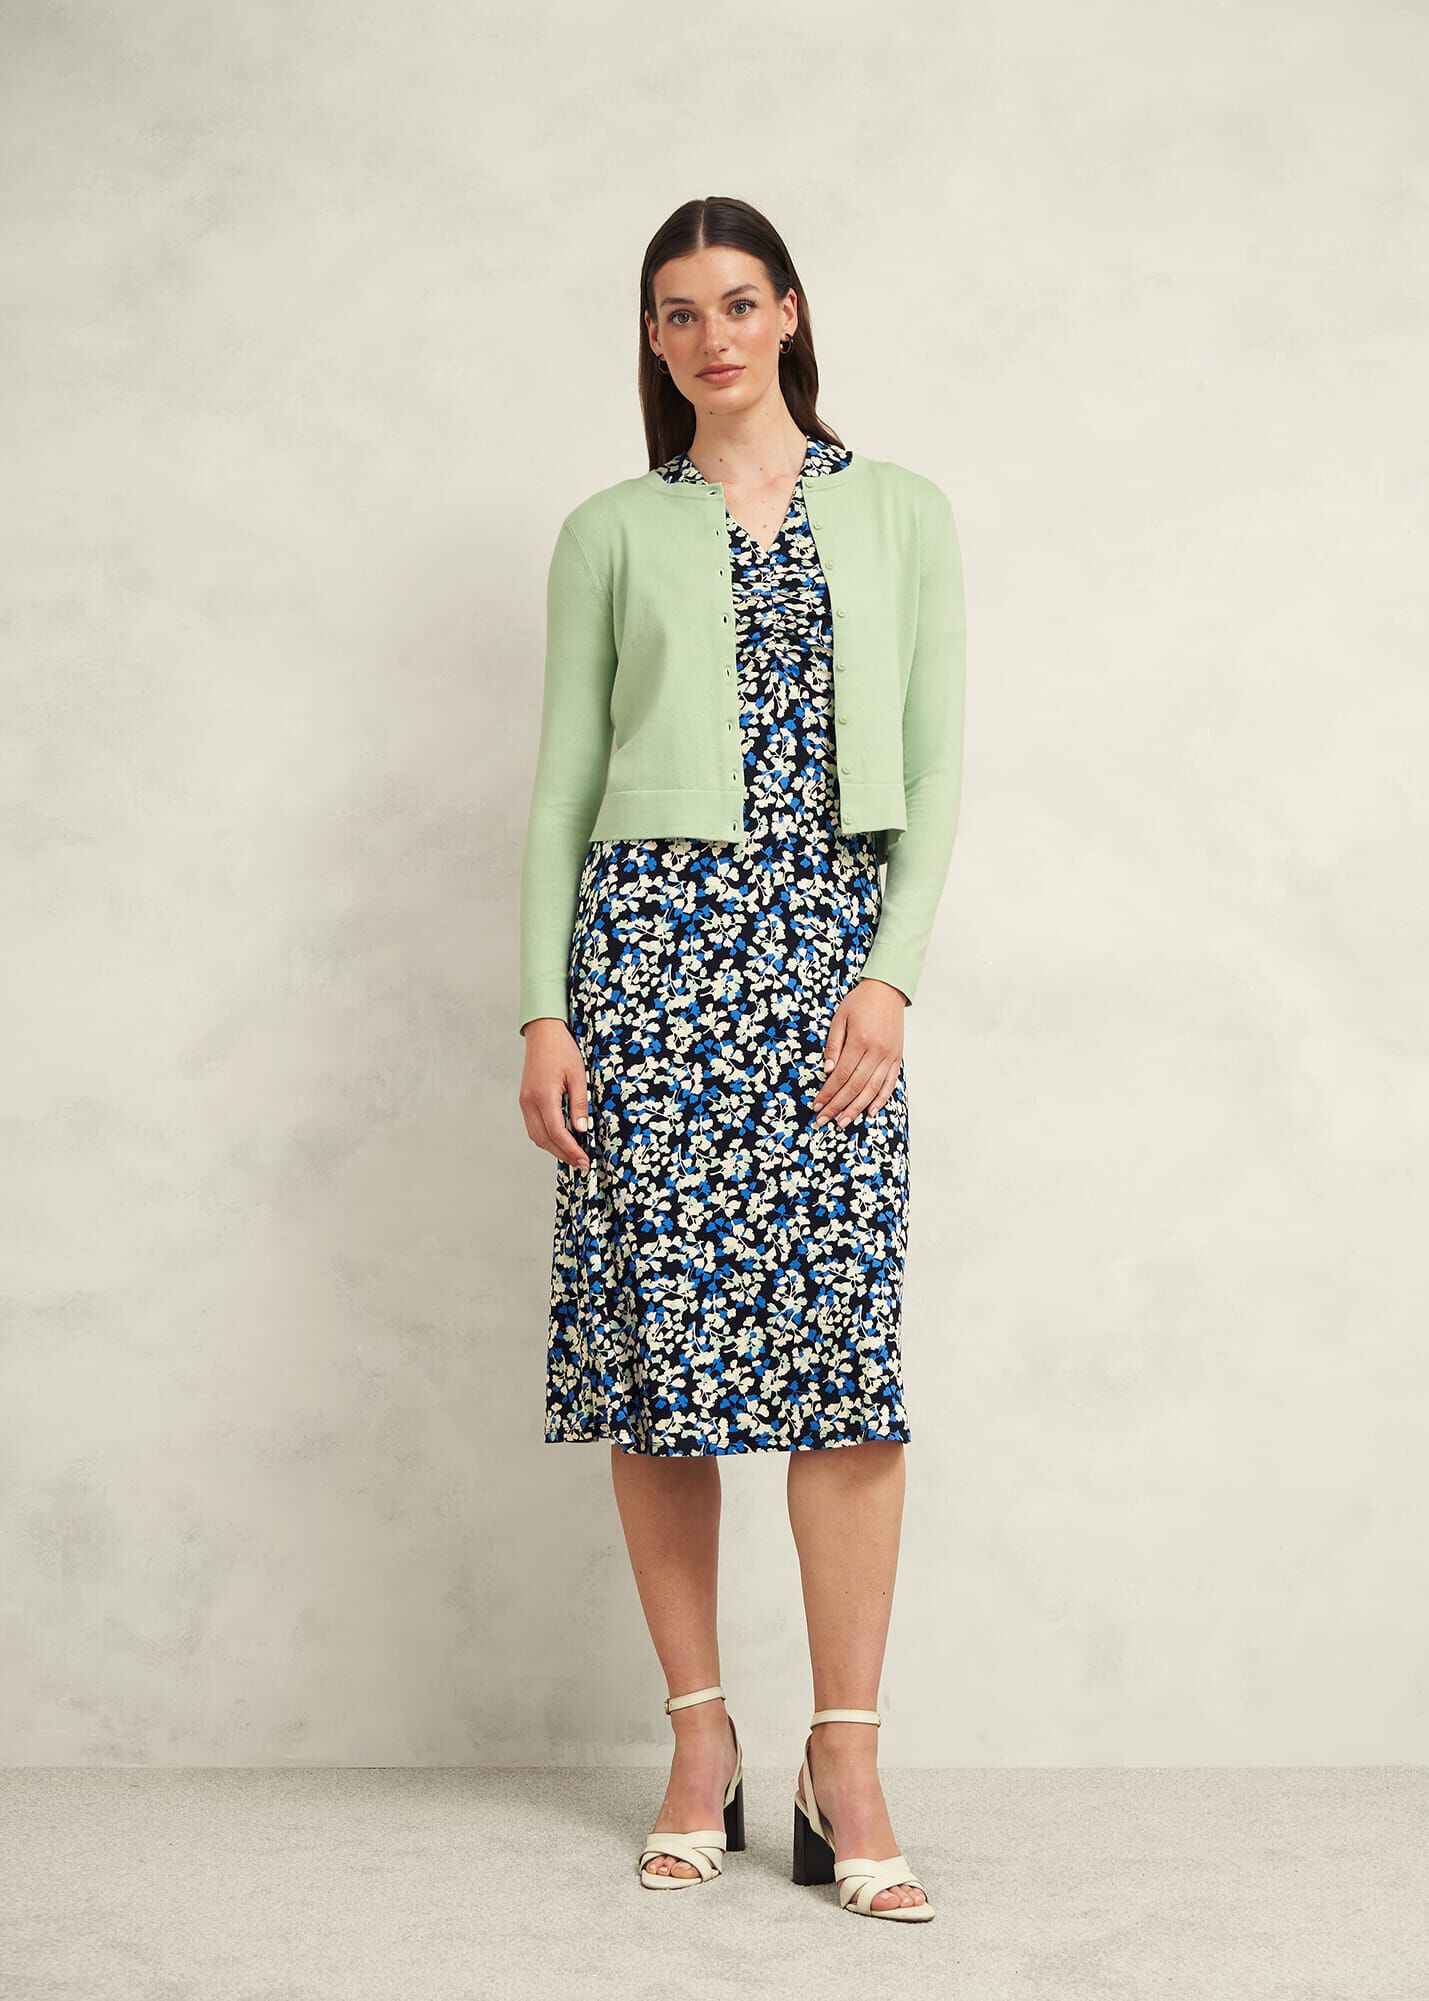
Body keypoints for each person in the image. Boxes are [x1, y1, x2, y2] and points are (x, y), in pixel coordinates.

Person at [517, 196, 966, 1921]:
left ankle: (841, 1757)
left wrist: (888, 977)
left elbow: (936, 767)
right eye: (675, 311)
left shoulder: (902, 511)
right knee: (662, 1365)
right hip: (645, 965)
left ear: (787, 312)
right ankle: (698, 1738)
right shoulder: (609, 531)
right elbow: (562, 789)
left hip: (824, 972)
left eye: (735, 302)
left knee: (840, 1366)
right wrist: (544, 1009)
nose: (709, 335)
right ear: (652, 339)